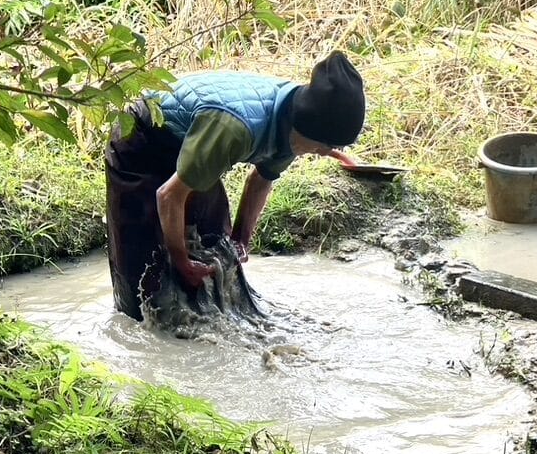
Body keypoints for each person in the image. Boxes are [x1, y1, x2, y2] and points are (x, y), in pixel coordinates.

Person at [104, 50, 366, 321]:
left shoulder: (294, 125)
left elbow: (261, 180)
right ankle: (143, 328)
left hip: (192, 138)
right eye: (323, 147)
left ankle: (203, 326)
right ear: (308, 129)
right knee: (141, 270)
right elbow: (169, 196)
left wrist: (241, 239)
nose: (324, 153)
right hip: (142, 137)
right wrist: (181, 261)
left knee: (216, 244)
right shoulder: (235, 129)